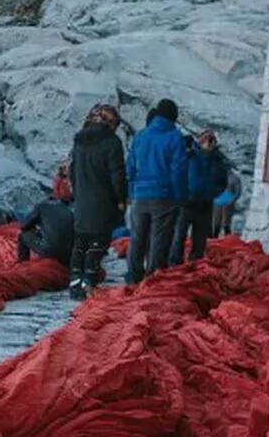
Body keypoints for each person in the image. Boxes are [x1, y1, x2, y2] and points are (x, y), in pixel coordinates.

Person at [125, 98, 188, 284]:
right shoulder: (175, 137)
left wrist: (132, 191)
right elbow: (178, 171)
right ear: (173, 116)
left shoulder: (141, 135)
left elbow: (130, 167)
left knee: (137, 238)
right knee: (159, 240)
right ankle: (152, 280)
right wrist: (180, 197)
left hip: (139, 196)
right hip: (164, 196)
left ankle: (133, 276)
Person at [68, 104, 127, 299]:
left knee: (80, 242)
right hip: (103, 201)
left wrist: (78, 194)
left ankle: (75, 281)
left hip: (82, 199)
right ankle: (89, 280)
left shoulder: (79, 140)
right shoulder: (112, 143)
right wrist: (121, 199)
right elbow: (117, 175)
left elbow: (72, 171)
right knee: (98, 242)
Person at [168, 129, 228, 265]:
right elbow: (177, 174)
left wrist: (211, 194)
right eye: (207, 139)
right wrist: (181, 194)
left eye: (212, 140)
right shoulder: (189, 154)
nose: (210, 143)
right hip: (186, 203)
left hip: (205, 205)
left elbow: (222, 183)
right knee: (178, 237)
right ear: (200, 141)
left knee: (200, 241)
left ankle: (194, 267)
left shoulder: (218, 160)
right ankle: (173, 265)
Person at [17, 199, 75, 266]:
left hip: (49, 252)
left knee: (22, 236)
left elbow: (23, 226)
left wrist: (34, 229)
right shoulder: (69, 211)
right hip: (68, 255)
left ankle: (22, 264)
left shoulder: (41, 206)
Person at [211, 165, 242, 237]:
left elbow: (238, 192)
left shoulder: (235, 178)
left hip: (228, 203)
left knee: (226, 223)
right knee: (216, 223)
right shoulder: (218, 176)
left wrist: (232, 201)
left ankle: (228, 240)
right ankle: (214, 240)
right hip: (217, 202)